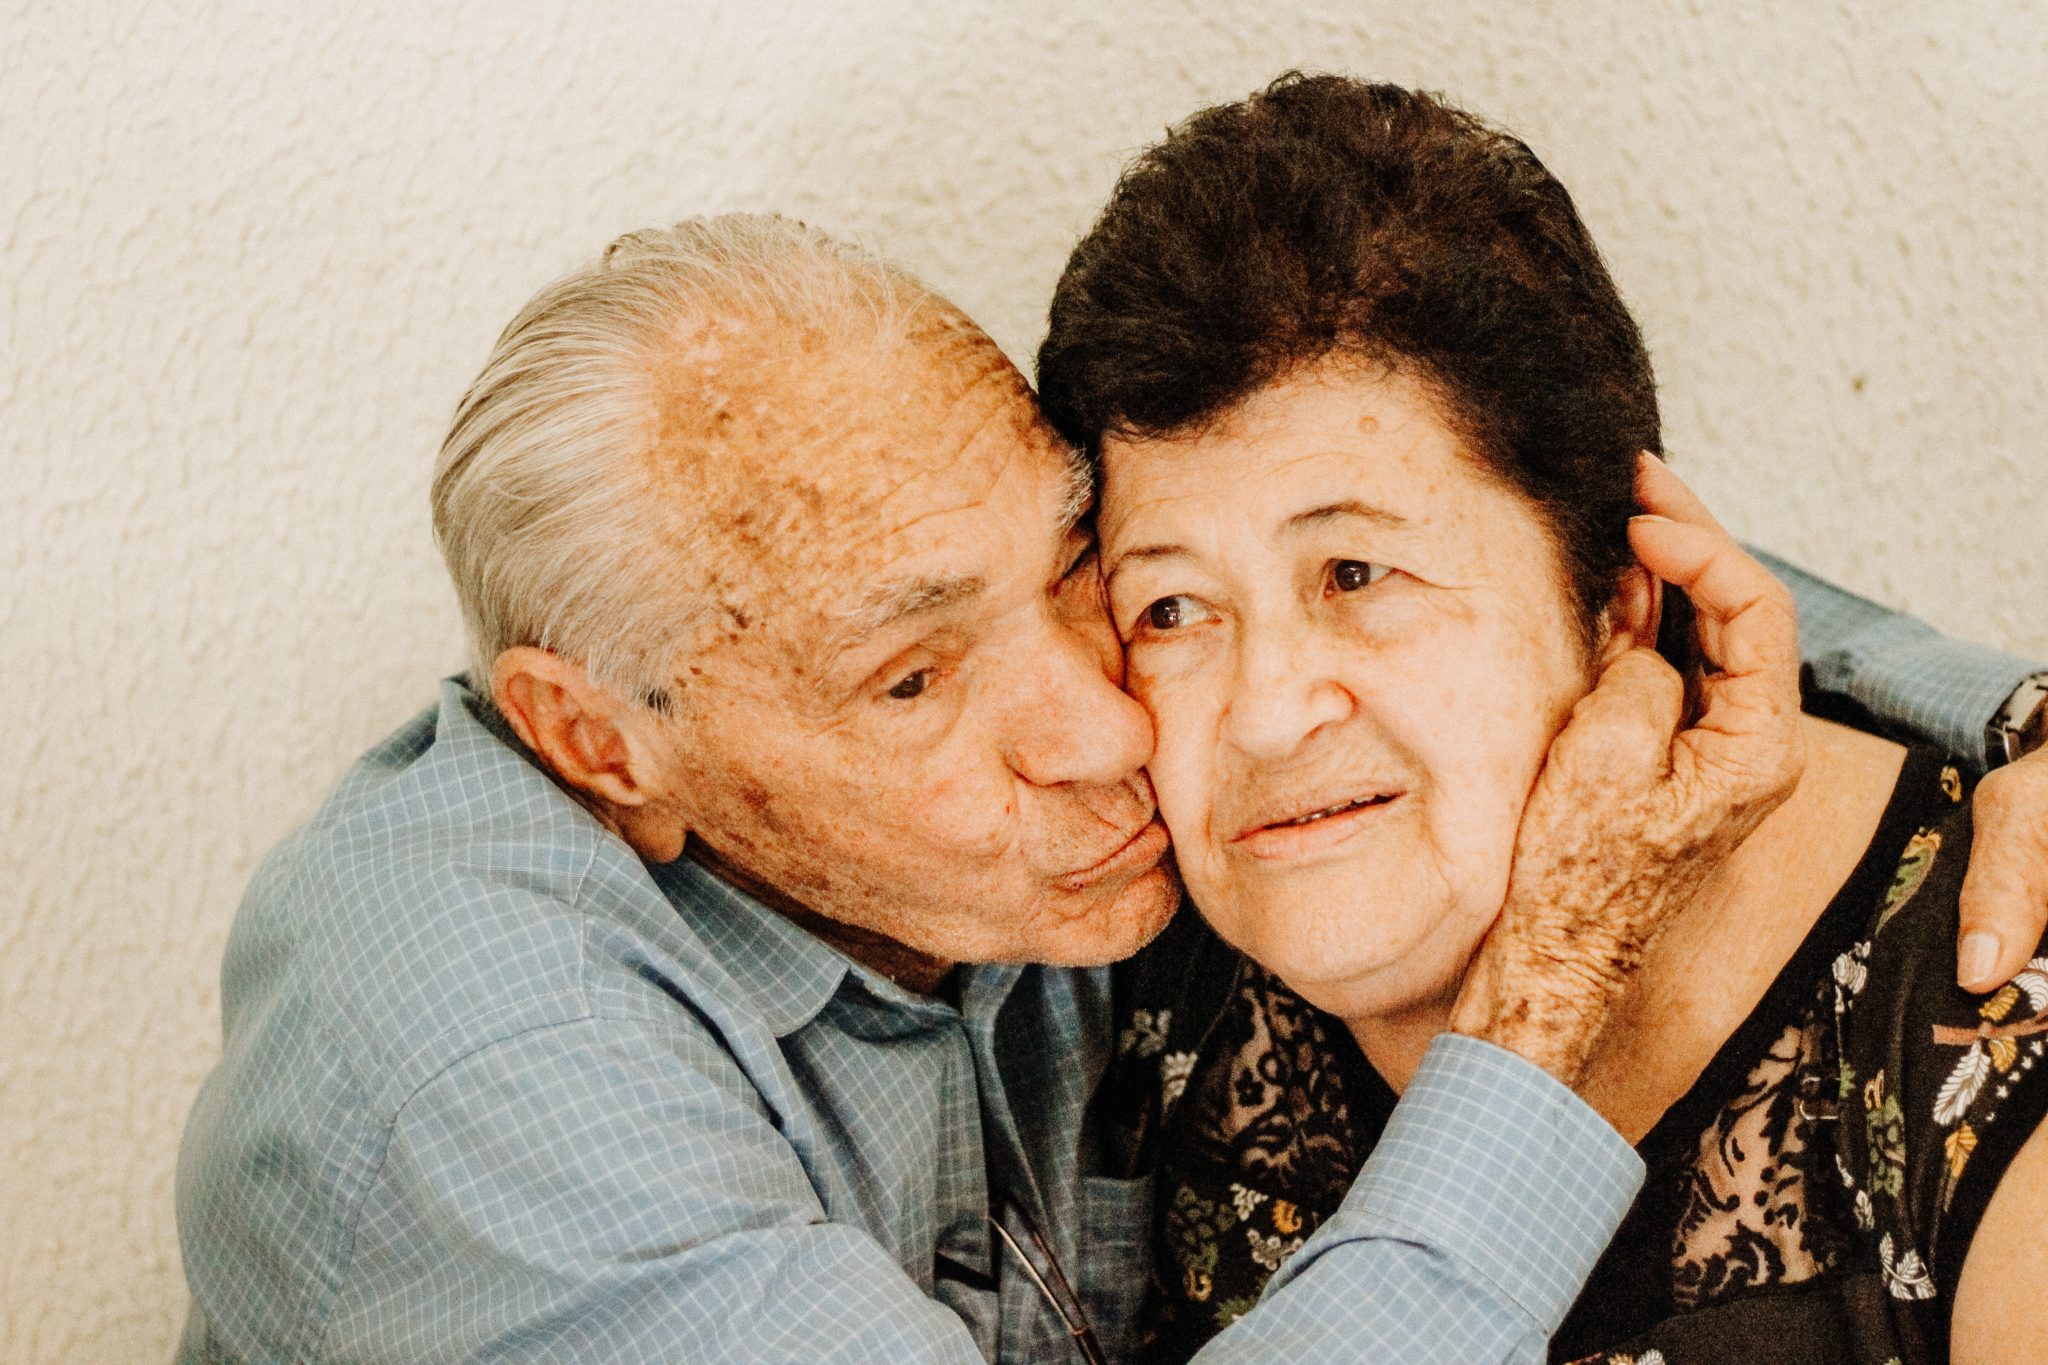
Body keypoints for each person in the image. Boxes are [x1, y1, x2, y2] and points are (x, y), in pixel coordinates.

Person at [173, 215, 2046, 1364]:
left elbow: (1454, 516)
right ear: (605, 746)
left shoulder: (987, 740)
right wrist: (1543, 987)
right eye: (916, 679)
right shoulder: (477, 1068)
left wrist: (2014, 704)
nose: (1110, 719)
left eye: (1083, 571)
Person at [1037, 74, 2048, 1364]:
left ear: (1618, 603)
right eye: (1173, 609)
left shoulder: (1989, 1009)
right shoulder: (1116, 964)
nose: (1267, 716)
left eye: (1355, 574)